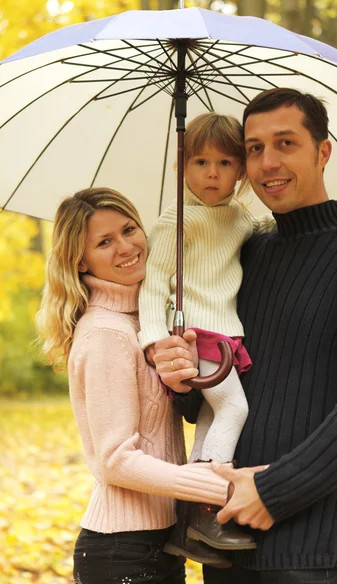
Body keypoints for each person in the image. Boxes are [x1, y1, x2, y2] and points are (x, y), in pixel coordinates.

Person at [154, 88, 337, 584]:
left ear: (322, 151)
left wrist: (276, 490)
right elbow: (219, 386)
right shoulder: (245, 254)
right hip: (220, 534)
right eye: (255, 148)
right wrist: (180, 377)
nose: (268, 162)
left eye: (286, 143)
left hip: (306, 545)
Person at [35, 187, 237, 584]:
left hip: (155, 542)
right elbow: (115, 459)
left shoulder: (143, 326)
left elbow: (162, 425)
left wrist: (183, 385)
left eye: (129, 229)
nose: (126, 246)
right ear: (80, 260)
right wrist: (209, 487)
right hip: (121, 552)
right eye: (104, 242)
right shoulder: (106, 333)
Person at [138, 113, 274, 553]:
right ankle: (210, 508)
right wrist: (157, 340)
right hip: (196, 336)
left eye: (224, 163)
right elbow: (153, 287)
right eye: (199, 162)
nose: (212, 173)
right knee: (234, 410)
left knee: (212, 422)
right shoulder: (176, 221)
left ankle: (187, 522)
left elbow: (264, 230)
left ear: (240, 170)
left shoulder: (238, 217)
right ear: (182, 166)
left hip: (228, 337)